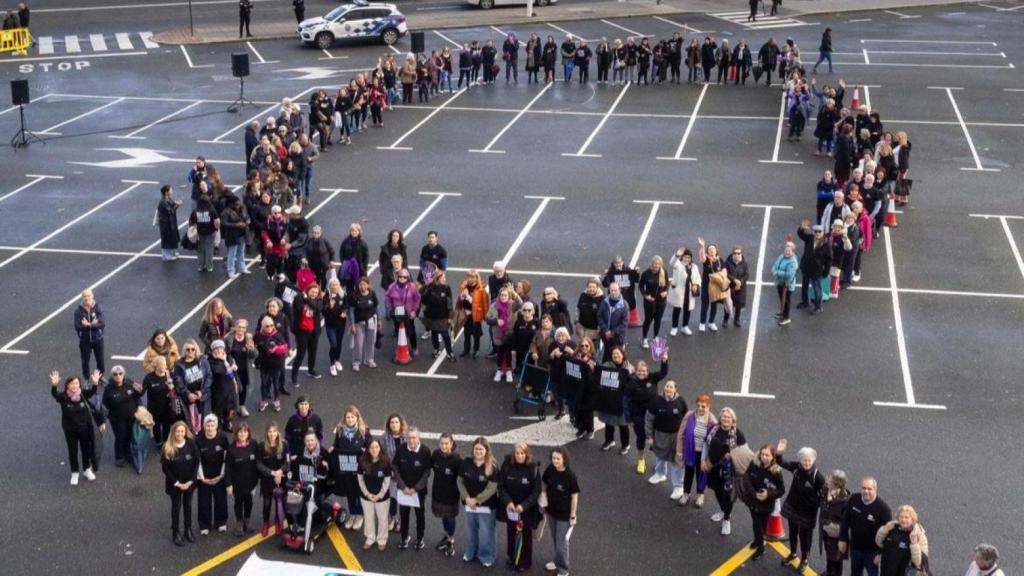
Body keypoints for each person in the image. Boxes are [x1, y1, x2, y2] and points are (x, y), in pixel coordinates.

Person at [776, 441, 825, 571]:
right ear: (800, 460)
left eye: (809, 460)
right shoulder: (797, 467)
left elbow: (825, 495)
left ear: (814, 460)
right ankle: (792, 554)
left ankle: (805, 560)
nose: (807, 463)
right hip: (793, 507)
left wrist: (814, 503)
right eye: (804, 460)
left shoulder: (817, 477)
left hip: (807, 513)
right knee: (792, 533)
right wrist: (780, 452)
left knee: (805, 538)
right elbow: (781, 462)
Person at [51, 370, 104, 485]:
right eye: (72, 383)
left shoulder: (83, 394)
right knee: (73, 452)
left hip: (84, 429)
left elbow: (93, 391)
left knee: (86, 450)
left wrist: (95, 383)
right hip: (70, 430)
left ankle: (86, 469)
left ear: (79, 384)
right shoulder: (63, 396)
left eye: (76, 383)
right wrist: (54, 385)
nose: (74, 386)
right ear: (67, 385)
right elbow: (55, 394)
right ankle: (74, 472)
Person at [702, 407, 746, 535]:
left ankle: (727, 518)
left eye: (729, 417)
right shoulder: (713, 430)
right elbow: (706, 444)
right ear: (720, 418)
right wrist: (703, 460)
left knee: (728, 495)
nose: (726, 419)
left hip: (729, 471)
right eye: (724, 416)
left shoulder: (738, 434)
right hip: (713, 467)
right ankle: (723, 510)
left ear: (733, 420)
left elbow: (744, 452)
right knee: (717, 490)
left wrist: (732, 454)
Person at [498, 442, 541, 572]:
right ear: (513, 454)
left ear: (526, 454)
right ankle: (512, 556)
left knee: (525, 536)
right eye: (517, 453)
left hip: (526, 509)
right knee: (511, 532)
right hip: (511, 508)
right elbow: (501, 486)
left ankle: (524, 561)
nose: (520, 456)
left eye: (522, 453)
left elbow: (536, 491)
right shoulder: (506, 465)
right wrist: (508, 502)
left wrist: (524, 505)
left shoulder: (533, 468)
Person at [623, 354, 668, 474]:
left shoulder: (652, 378)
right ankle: (641, 460)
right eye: (639, 371)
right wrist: (628, 418)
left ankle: (658, 462)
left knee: (656, 438)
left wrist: (664, 361)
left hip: (654, 416)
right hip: (638, 416)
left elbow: (663, 373)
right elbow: (626, 400)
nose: (642, 373)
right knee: (641, 438)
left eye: (644, 371)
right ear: (635, 371)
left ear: (647, 371)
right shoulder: (631, 383)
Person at [739, 444, 785, 560]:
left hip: (766, 505)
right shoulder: (754, 463)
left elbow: (781, 490)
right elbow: (746, 478)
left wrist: (768, 495)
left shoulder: (776, 472)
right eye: (762, 454)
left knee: (762, 526)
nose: (764, 457)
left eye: (767, 455)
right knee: (757, 525)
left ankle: (758, 542)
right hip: (753, 501)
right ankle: (760, 546)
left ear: (772, 457)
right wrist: (754, 494)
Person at [840, 477, 893, 576]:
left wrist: (880, 554)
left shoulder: (884, 509)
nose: (866, 491)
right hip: (855, 549)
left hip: (872, 553)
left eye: (869, 489)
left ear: (875, 490)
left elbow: (888, 536)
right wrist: (843, 538)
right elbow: (845, 520)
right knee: (855, 573)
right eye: (863, 488)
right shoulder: (853, 499)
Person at [459, 437, 499, 568]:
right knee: (471, 531)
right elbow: (459, 481)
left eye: (481, 449)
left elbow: (492, 487)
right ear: (473, 449)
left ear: (486, 450)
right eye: (476, 449)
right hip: (469, 506)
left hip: (486, 507)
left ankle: (487, 556)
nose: (478, 451)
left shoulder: (492, 466)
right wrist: (466, 498)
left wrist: (477, 500)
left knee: (486, 533)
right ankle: (470, 553)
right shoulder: (466, 462)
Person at [331, 405, 371, 532]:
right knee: (349, 493)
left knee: (359, 493)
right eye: (347, 417)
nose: (350, 419)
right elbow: (335, 446)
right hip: (345, 469)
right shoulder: (340, 431)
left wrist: (366, 451)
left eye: (352, 417)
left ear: (357, 418)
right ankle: (353, 514)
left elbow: (372, 448)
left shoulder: (364, 431)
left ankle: (360, 515)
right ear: (344, 418)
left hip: (359, 470)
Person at [541, 447, 579, 576]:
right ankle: (557, 561)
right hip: (551, 512)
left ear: (564, 459)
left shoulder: (570, 476)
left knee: (562, 543)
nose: (555, 461)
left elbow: (574, 496)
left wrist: (573, 515)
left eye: (558, 458)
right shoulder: (550, 469)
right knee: (556, 540)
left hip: (564, 515)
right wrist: (543, 495)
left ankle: (563, 569)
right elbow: (544, 482)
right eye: (553, 458)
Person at [645, 379, 687, 492]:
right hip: (659, 435)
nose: (668, 388)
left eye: (671, 387)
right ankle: (660, 474)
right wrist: (649, 436)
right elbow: (649, 418)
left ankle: (678, 486)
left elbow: (686, 419)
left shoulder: (681, 401)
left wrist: (685, 436)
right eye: (667, 386)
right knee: (659, 456)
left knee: (676, 461)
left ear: (675, 389)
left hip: (675, 437)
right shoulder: (656, 401)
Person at [162, 420, 200, 545]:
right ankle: (176, 532)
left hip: (189, 483)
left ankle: (188, 530)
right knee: (176, 508)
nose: (180, 433)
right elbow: (165, 469)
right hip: (175, 485)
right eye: (177, 431)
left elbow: (196, 463)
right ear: (173, 432)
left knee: (188, 506)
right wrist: (177, 482)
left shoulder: (191, 444)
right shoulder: (168, 447)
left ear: (185, 432)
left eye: (182, 431)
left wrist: (191, 481)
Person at [394, 427, 432, 550]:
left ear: (418, 438)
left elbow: (427, 472)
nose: (411, 440)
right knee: (404, 516)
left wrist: (416, 488)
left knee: (420, 516)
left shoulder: (425, 451)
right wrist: (403, 486)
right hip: (403, 491)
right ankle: (404, 538)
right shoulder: (400, 449)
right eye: (409, 437)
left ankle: (420, 539)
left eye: (414, 437)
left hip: (419, 492)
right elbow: (395, 467)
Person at [675, 393, 716, 507]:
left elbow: (714, 441)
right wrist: (679, 451)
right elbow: (681, 434)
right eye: (698, 405)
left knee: (701, 473)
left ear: (708, 406)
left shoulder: (712, 421)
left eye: (703, 406)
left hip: (703, 454)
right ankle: (686, 493)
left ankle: (700, 494)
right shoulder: (689, 415)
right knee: (688, 473)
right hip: (690, 450)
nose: (700, 408)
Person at [103, 365, 144, 468]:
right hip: (117, 419)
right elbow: (104, 404)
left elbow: (137, 396)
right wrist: (106, 416)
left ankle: (127, 454)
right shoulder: (109, 388)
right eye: (115, 374)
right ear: (112, 376)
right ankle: (119, 457)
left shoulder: (129, 383)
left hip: (131, 416)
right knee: (120, 437)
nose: (118, 376)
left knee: (129, 436)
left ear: (124, 374)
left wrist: (140, 405)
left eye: (120, 373)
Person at [195, 414, 230, 535]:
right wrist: (202, 478)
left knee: (221, 500)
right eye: (207, 426)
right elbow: (197, 460)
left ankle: (221, 522)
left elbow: (227, 458)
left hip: (219, 476)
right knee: (204, 501)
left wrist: (221, 475)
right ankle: (204, 525)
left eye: (212, 425)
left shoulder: (223, 438)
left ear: (216, 426)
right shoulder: (198, 440)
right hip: (204, 478)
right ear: (204, 427)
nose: (210, 428)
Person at [596, 346, 634, 454]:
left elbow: (633, 384)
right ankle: (609, 441)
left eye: (618, 354)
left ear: (623, 355)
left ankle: (625, 445)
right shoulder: (606, 366)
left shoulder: (629, 368)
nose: (615, 356)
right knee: (609, 422)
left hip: (622, 401)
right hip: (610, 400)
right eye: (613, 354)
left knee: (623, 424)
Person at [358, 438, 393, 551]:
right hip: (366, 497)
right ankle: (370, 538)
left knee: (382, 519)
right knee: (368, 518)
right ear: (368, 449)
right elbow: (360, 479)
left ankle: (382, 539)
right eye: (372, 447)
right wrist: (367, 494)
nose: (374, 450)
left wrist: (379, 495)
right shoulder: (362, 461)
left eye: (376, 447)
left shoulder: (386, 462)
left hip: (382, 498)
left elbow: (387, 481)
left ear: (380, 448)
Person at [430, 433, 461, 557]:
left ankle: (450, 540)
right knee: (443, 516)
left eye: (446, 443)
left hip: (451, 495)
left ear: (452, 444)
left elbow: (461, 479)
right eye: (442, 443)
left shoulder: (457, 460)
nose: (444, 446)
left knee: (450, 518)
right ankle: (446, 535)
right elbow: (430, 467)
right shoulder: (436, 454)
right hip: (438, 492)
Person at [225, 423, 258, 536]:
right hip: (237, 483)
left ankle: (247, 521)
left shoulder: (254, 444)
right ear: (236, 433)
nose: (243, 434)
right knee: (238, 503)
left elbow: (258, 462)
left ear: (248, 433)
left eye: (245, 431)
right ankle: (239, 523)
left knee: (249, 502)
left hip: (251, 482)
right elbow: (228, 468)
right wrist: (228, 484)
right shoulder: (232, 449)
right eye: (240, 432)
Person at [876, 505, 929, 576]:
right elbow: (879, 543)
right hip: (887, 570)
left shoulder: (918, 534)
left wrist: (914, 543)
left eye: (906, 517)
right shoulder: (892, 528)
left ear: (912, 519)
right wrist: (884, 530)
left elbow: (917, 562)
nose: (903, 520)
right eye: (901, 517)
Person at [255, 422, 288, 536]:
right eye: (270, 432)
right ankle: (265, 523)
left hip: (281, 479)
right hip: (267, 480)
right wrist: (272, 473)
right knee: (267, 503)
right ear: (266, 433)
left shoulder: (284, 444)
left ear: (278, 432)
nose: (272, 434)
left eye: (274, 431)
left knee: (281, 502)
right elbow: (259, 464)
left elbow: (287, 462)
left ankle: (278, 521)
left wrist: (280, 471)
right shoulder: (261, 446)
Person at [173, 339, 211, 432]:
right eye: (188, 349)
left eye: (192, 349)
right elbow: (178, 382)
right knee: (190, 419)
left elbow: (209, 376)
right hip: (188, 398)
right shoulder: (179, 364)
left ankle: (202, 435)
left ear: (196, 349)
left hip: (202, 396)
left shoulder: (203, 360)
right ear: (184, 351)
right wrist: (188, 394)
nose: (190, 351)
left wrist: (201, 392)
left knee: (203, 418)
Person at [290, 283, 324, 384]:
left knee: (313, 352)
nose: (314, 294)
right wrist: (304, 298)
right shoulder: (299, 298)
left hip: (313, 331)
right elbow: (299, 308)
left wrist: (307, 299)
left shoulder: (318, 300)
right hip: (302, 331)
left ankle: (311, 370)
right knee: (301, 354)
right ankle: (294, 376)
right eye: (312, 292)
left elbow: (318, 309)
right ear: (307, 290)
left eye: (316, 292)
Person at [254, 316, 288, 412]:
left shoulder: (278, 335)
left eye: (272, 325)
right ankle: (264, 400)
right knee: (264, 383)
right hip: (264, 364)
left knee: (275, 383)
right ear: (262, 326)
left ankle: (276, 399)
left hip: (276, 363)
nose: (270, 328)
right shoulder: (257, 335)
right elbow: (253, 347)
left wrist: (276, 349)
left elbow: (285, 346)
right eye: (267, 326)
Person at [820, 470, 851, 576]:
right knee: (828, 553)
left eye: (830, 479)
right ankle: (829, 572)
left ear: (837, 484)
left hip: (836, 534)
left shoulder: (845, 501)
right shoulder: (825, 490)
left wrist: (843, 538)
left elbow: (846, 521)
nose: (827, 480)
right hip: (826, 530)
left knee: (837, 558)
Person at [421, 271, 456, 362]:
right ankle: (436, 349)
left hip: (443, 316)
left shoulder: (446, 288)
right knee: (434, 333)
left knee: (445, 335)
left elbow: (449, 303)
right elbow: (423, 297)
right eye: (443, 277)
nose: (445, 279)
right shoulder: (429, 287)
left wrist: (450, 316)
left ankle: (449, 352)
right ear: (437, 279)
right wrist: (426, 286)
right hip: (431, 315)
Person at [797, 222, 831, 315]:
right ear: (813, 232)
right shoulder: (809, 238)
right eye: (816, 232)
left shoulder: (826, 245)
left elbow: (829, 260)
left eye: (819, 232)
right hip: (806, 267)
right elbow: (800, 234)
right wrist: (801, 228)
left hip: (816, 271)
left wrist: (826, 271)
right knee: (805, 286)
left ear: (823, 232)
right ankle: (805, 302)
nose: (817, 233)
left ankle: (818, 306)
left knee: (817, 289)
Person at [487, 286, 520, 382]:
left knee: (509, 353)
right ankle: (499, 370)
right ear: (499, 295)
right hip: (498, 334)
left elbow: (521, 304)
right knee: (500, 353)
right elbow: (488, 319)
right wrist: (496, 321)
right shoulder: (494, 305)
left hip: (509, 334)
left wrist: (514, 293)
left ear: (509, 296)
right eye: (501, 295)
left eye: (505, 295)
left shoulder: (512, 305)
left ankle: (509, 371)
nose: (503, 297)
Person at [348, 277, 379, 371]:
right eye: (361, 284)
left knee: (371, 341)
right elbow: (351, 311)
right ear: (358, 285)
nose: (363, 286)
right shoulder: (354, 295)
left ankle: (369, 360)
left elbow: (376, 307)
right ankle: (356, 362)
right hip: (359, 322)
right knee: (358, 344)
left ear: (368, 285)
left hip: (371, 321)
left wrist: (379, 320)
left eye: (365, 284)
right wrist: (352, 324)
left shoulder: (372, 293)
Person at [668, 248, 701, 336]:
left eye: (688, 257)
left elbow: (698, 278)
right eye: (685, 257)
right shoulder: (678, 264)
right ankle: (674, 327)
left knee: (688, 310)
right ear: (682, 257)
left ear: (691, 258)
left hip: (689, 292)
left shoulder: (694, 267)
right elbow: (671, 262)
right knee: (677, 309)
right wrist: (676, 255)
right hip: (679, 291)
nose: (687, 259)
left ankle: (685, 326)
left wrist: (696, 285)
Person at [638, 256, 669, 348]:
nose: (656, 266)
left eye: (658, 264)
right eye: (654, 264)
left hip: (661, 302)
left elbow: (667, 284)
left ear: (661, 265)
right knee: (648, 320)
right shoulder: (646, 274)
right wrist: (645, 295)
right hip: (649, 302)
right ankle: (644, 338)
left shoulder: (664, 272)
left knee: (658, 320)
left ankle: (655, 337)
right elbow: (640, 286)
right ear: (651, 264)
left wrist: (666, 292)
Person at [74, 289, 105, 378]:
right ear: (82, 298)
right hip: (85, 341)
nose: (87, 298)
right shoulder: (78, 311)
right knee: (85, 361)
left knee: (100, 361)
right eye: (85, 296)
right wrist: (92, 324)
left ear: (92, 296)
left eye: (88, 296)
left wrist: (88, 325)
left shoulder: (98, 308)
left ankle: (100, 377)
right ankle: (86, 379)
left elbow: (102, 324)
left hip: (98, 340)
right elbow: (77, 326)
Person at [458, 270, 488, 358]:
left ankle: (476, 350)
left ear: (476, 278)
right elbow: (460, 300)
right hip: (466, 313)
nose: (470, 279)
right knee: (466, 333)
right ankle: (466, 349)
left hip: (476, 314)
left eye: (472, 277)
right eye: (468, 277)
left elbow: (477, 303)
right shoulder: (464, 286)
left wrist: (467, 296)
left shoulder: (480, 288)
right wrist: (462, 297)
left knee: (476, 334)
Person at [697, 238, 723, 332]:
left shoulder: (720, 261)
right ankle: (702, 323)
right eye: (709, 250)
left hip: (716, 287)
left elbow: (724, 271)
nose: (711, 251)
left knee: (714, 306)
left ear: (716, 251)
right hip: (706, 287)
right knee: (705, 305)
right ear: (707, 251)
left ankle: (711, 322)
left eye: (713, 249)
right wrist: (702, 246)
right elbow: (702, 256)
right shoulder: (706, 260)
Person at [597, 283, 628, 362]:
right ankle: (604, 368)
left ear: (619, 290)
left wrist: (612, 333)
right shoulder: (604, 302)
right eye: (612, 290)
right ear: (609, 291)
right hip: (606, 335)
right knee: (606, 352)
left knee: (617, 355)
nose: (613, 292)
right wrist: (606, 330)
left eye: (615, 290)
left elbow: (624, 324)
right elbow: (599, 316)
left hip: (617, 337)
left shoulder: (624, 305)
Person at [324, 278, 348, 376]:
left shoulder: (343, 295)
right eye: (332, 285)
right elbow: (323, 311)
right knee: (333, 344)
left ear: (339, 285)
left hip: (341, 324)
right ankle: (332, 364)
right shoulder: (326, 296)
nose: (334, 286)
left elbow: (346, 306)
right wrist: (329, 306)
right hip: (330, 325)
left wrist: (344, 312)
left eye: (336, 284)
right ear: (329, 286)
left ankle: (337, 360)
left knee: (339, 343)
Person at [771, 242, 799, 326]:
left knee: (786, 301)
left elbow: (789, 274)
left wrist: (777, 272)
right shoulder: (781, 256)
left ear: (793, 252)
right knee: (782, 299)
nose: (787, 252)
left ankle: (786, 317)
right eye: (786, 250)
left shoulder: (793, 262)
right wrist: (774, 270)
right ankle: (782, 313)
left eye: (789, 251)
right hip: (780, 283)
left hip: (787, 285)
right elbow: (775, 265)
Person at [723, 246, 748, 327]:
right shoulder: (727, 262)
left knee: (739, 305)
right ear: (732, 253)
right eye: (735, 253)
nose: (737, 255)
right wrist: (734, 280)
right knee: (728, 304)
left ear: (741, 254)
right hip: (730, 287)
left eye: (738, 253)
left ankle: (737, 320)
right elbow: (726, 274)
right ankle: (725, 320)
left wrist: (740, 282)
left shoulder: (744, 263)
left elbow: (747, 275)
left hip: (741, 287)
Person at [157, 185, 183, 261]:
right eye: (170, 190)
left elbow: (172, 206)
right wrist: (177, 205)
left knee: (172, 237)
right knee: (166, 239)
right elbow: (170, 211)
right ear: (166, 192)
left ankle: (172, 253)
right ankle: (166, 256)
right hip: (166, 224)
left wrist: (176, 204)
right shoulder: (163, 202)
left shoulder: (168, 199)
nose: (172, 191)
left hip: (170, 223)